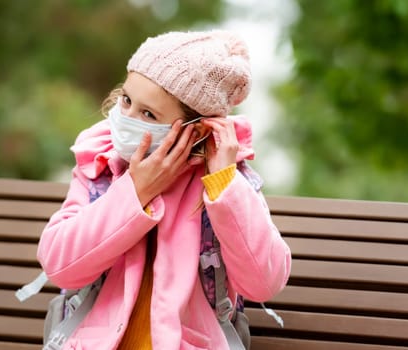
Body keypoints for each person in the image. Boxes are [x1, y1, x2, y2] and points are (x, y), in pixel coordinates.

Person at [37, 29, 292, 350]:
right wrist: (135, 192)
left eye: (148, 114)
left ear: (196, 129)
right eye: (126, 100)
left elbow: (263, 283)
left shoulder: (225, 181)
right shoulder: (102, 164)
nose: (125, 118)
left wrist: (225, 186)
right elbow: (58, 266)